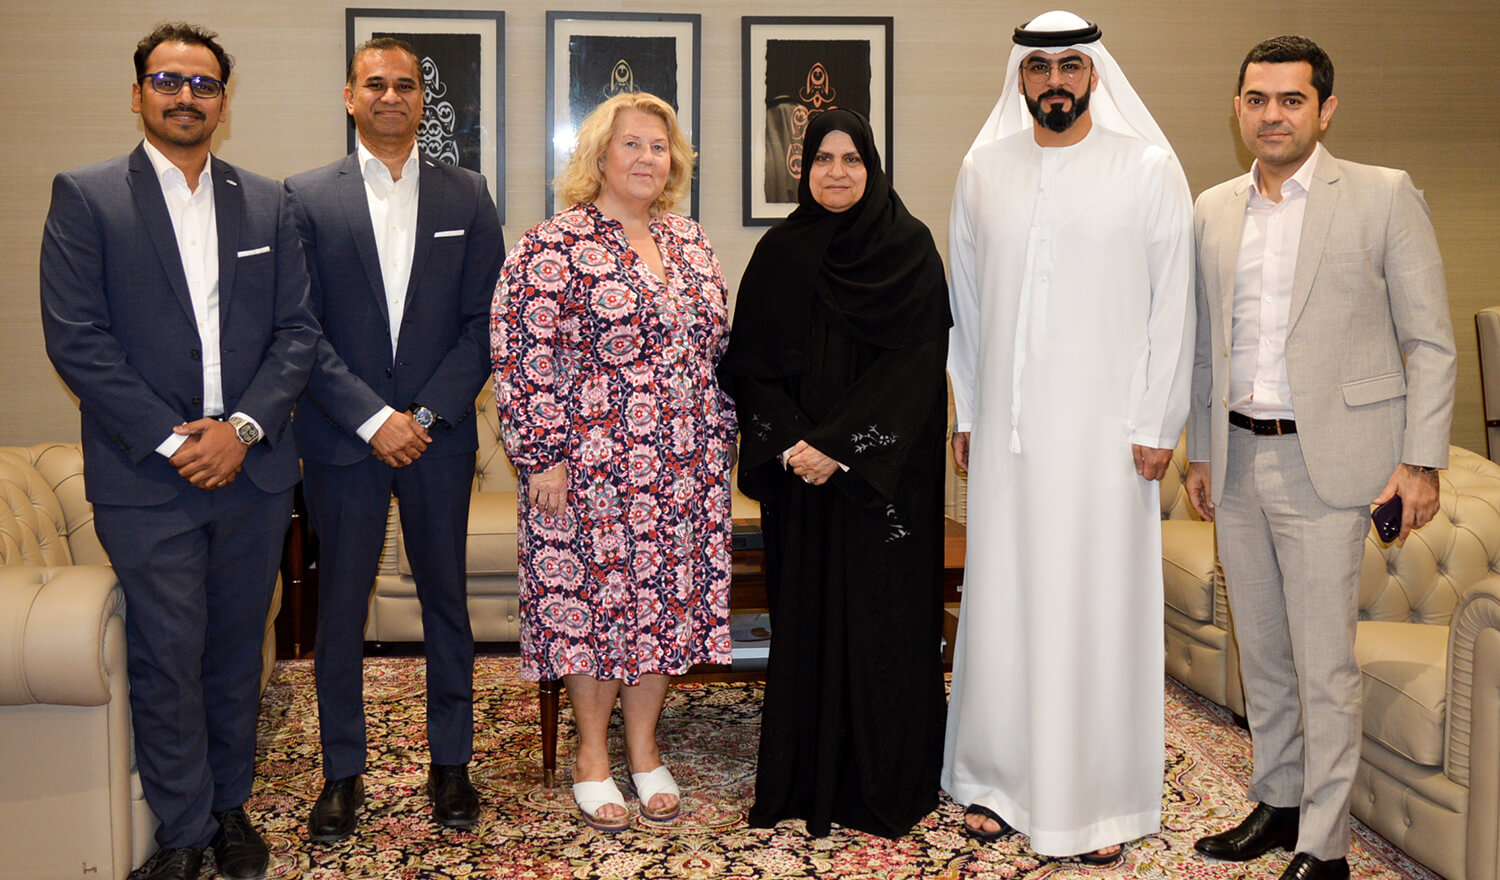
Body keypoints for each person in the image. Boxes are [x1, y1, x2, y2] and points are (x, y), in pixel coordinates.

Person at [38, 22, 318, 880]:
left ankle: (228, 807)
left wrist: (239, 431)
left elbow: (297, 333)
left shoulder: (268, 202)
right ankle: (184, 831)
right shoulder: (86, 197)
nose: (185, 95)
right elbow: (76, 341)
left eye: (202, 83)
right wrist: (173, 441)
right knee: (167, 654)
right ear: (138, 94)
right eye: (167, 80)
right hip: (144, 477)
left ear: (223, 102)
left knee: (236, 648)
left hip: (253, 469)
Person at [1186, 36, 1455, 880]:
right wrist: (1199, 451)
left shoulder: (1380, 196)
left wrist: (1421, 461)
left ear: (1324, 110)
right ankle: (1277, 798)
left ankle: (1325, 843)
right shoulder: (1213, 208)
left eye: (1292, 100)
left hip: (1332, 468)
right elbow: (1204, 347)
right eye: (1258, 99)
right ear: (1238, 109)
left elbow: (1431, 342)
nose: (1273, 114)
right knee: (1261, 649)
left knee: (1323, 661)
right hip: (1234, 457)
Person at [943, 10, 1194, 863]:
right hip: (1010, 444)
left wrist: (1157, 420)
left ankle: (1097, 806)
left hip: (1107, 442)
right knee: (1008, 603)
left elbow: (1173, 305)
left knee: (1097, 610)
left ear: (1093, 74)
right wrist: (969, 412)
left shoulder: (1149, 169)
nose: (1055, 80)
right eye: (1039, 65)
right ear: (1020, 76)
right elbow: (967, 310)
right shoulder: (984, 170)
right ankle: (995, 781)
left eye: (1070, 66)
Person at [492, 92, 736, 832]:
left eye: (658, 147)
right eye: (631, 144)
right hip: (589, 468)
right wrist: (540, 456)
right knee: (592, 613)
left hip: (683, 467)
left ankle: (644, 748)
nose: (646, 159)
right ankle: (592, 756)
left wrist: (720, 438)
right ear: (599, 155)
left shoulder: (692, 242)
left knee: (663, 608)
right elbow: (520, 353)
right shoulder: (552, 245)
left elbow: (718, 353)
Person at [284, 37, 503, 841]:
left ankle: (452, 766)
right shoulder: (303, 197)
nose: (389, 95)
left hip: (439, 441)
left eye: (404, 85)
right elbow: (296, 328)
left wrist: (429, 417)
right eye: (374, 83)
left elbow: (486, 324)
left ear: (422, 100)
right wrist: (375, 419)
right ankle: (342, 772)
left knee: (448, 606)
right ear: (349, 96)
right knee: (340, 611)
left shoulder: (468, 195)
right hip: (345, 442)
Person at [720, 108, 952, 839]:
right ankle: (803, 781)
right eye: (823, 158)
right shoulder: (781, 251)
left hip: (879, 481)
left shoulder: (909, 249)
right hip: (800, 481)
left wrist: (841, 445)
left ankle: (883, 786)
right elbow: (747, 366)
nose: (837, 172)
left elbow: (916, 367)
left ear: (873, 164)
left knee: (882, 624)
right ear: (803, 168)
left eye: (852, 158)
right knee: (807, 621)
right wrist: (792, 445)